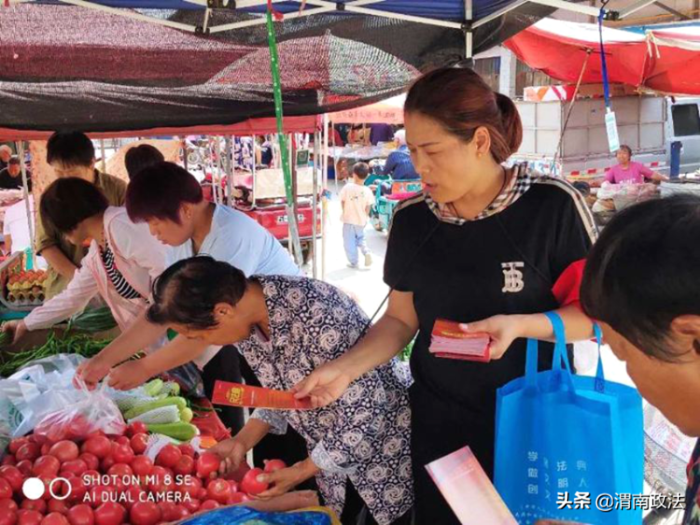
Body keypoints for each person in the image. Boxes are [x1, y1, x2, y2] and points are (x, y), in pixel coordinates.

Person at [293, 67, 597, 525]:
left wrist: (520, 326)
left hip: (533, 423)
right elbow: (400, 321)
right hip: (441, 425)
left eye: (432, 150)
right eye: (412, 150)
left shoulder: (551, 207)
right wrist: (342, 370)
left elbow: (597, 318)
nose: (420, 166)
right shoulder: (413, 218)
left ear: (478, 141)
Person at [147, 257, 414, 525]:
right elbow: (281, 394)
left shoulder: (317, 314)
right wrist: (242, 441)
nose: (202, 343)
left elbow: (366, 414)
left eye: (199, 336)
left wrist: (302, 470)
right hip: (332, 459)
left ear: (222, 312)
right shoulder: (250, 321)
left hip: (382, 456)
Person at [75, 162, 307, 469]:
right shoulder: (180, 241)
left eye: (155, 223)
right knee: (270, 433)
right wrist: (104, 360)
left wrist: (144, 367)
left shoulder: (231, 235)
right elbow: (161, 311)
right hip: (257, 348)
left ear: (185, 210)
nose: (153, 233)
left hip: (294, 344)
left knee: (297, 435)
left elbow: (206, 329)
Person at [2, 178, 166, 347]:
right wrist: (26, 323)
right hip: (158, 338)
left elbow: (167, 280)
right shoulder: (98, 250)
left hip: (177, 331)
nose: (63, 236)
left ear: (70, 220)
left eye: (59, 228)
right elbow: (73, 297)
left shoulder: (121, 226)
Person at [36, 131, 127, 299]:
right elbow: (46, 244)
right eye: (58, 172)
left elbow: (127, 237)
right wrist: (80, 280)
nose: (64, 179)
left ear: (92, 163)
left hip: (113, 289)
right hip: (66, 288)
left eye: (71, 172)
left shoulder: (117, 189)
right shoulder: (51, 197)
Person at [339, 162, 374, 269]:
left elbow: (342, 201)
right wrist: (365, 216)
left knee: (349, 241)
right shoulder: (367, 191)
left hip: (349, 219)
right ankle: (366, 252)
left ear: (353, 174)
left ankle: (354, 262)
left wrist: (344, 211)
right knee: (360, 238)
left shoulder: (347, 187)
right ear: (367, 176)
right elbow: (368, 207)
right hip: (361, 220)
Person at [3, 195, 47, 268]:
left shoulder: (10, 210)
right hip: (46, 267)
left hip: (20, 269)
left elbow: (8, 245)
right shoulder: (51, 206)